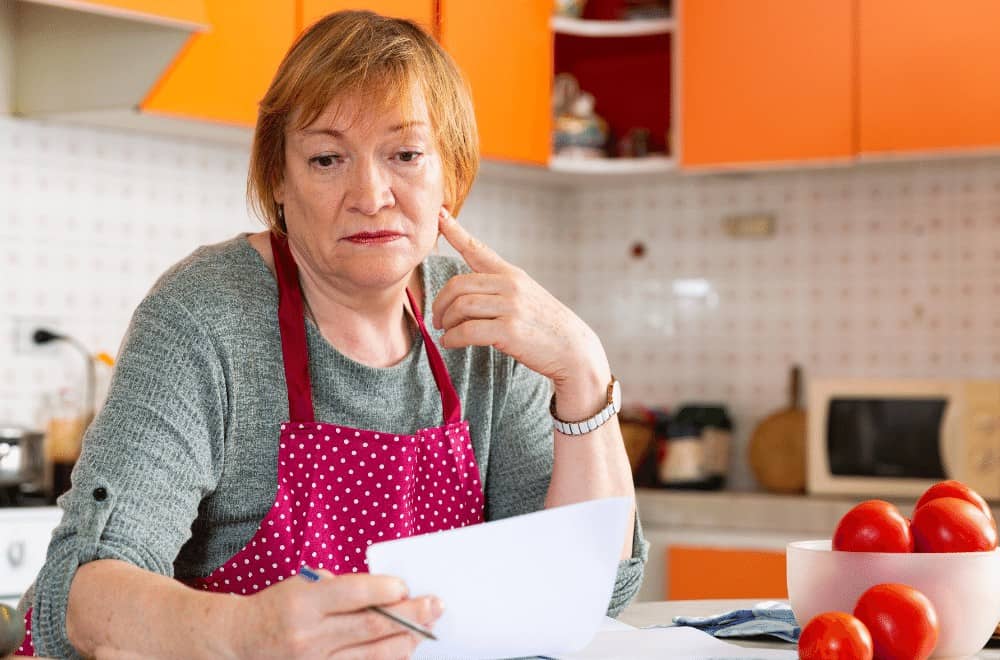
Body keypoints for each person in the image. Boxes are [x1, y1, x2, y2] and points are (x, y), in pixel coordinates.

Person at [20, 9, 647, 658]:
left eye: (406, 155)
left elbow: (582, 588)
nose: (370, 195)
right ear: (279, 180)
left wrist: (584, 371)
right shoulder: (204, 315)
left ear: (451, 173)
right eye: (326, 158)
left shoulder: (481, 320)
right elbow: (78, 595)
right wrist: (244, 633)